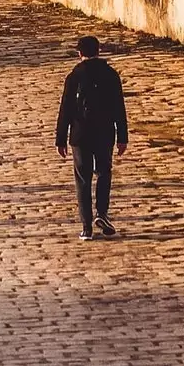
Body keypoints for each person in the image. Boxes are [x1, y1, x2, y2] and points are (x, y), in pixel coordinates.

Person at [55, 36, 129, 242]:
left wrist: (60, 139)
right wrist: (123, 136)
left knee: (83, 179)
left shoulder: (74, 76)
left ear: (80, 53)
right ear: (98, 51)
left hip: (80, 135)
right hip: (104, 133)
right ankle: (102, 213)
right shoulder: (110, 75)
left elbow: (66, 109)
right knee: (104, 172)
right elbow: (118, 108)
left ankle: (86, 226)